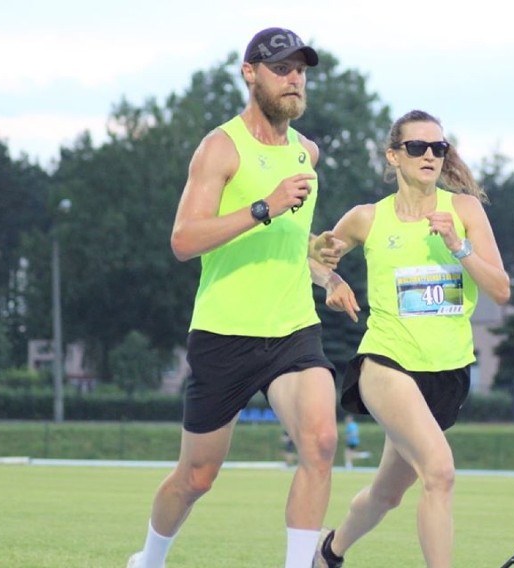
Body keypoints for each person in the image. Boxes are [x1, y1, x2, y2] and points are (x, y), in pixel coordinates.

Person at [127, 27, 359, 568]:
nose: (294, 78)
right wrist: (263, 206)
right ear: (249, 73)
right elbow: (184, 240)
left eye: (300, 69)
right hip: (225, 331)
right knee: (197, 477)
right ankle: (151, 558)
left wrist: (328, 278)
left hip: (293, 331)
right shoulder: (219, 147)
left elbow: (294, 246)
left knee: (322, 443)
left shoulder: (308, 153)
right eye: (281, 68)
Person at [310, 110, 510, 568]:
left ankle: (328, 551)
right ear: (394, 156)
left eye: (438, 148)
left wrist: (460, 247)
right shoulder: (366, 218)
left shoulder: (463, 211)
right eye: (417, 147)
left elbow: (500, 289)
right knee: (439, 473)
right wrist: (332, 282)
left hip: (448, 371)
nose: (429, 156)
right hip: (387, 362)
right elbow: (312, 257)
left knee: (387, 493)